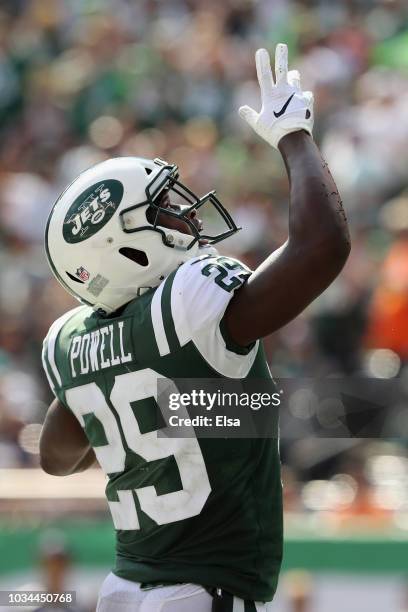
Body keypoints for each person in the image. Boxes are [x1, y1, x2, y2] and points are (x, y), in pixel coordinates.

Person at [39, 44, 350, 612]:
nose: (185, 216)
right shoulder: (187, 305)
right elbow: (322, 247)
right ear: (122, 251)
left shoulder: (73, 341)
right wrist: (294, 137)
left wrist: (135, 400)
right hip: (197, 594)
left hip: (124, 590)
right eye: (160, 213)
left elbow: (55, 457)